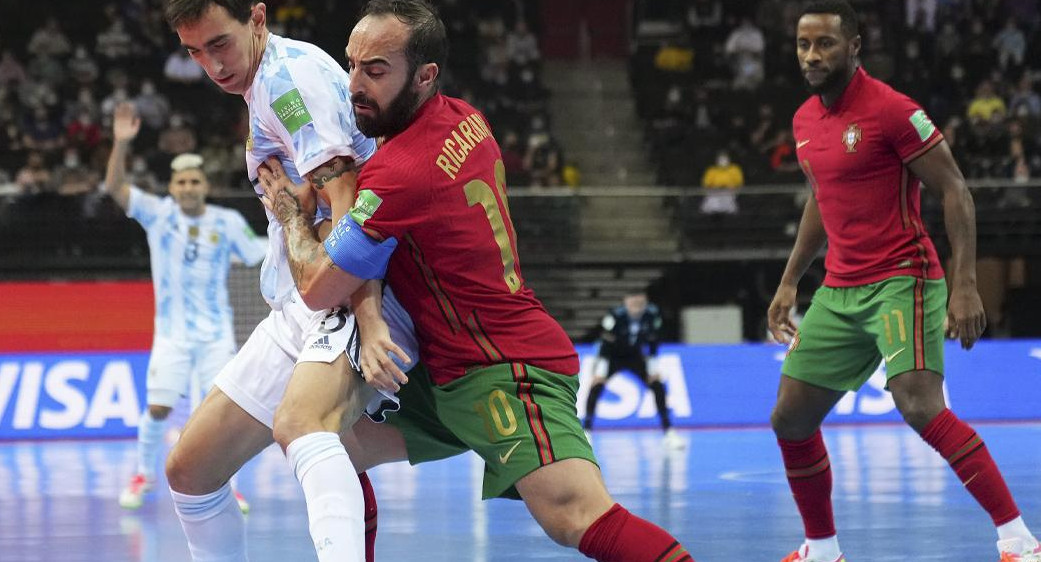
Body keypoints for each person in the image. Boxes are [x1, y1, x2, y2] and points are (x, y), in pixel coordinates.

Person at [258, 2, 694, 560]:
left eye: (375, 70)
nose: (353, 86)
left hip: (501, 367)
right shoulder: (466, 118)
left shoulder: (401, 172)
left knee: (575, 516)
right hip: (443, 364)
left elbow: (319, 285)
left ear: (424, 75)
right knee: (326, 443)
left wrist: (292, 215)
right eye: (351, 66)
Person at [767, 3, 1041, 561]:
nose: (812, 55)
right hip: (839, 290)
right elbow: (821, 199)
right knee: (790, 418)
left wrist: (964, 285)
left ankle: (1018, 539)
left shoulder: (893, 110)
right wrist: (790, 279)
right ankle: (821, 550)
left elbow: (956, 190)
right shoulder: (803, 121)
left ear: (855, 46)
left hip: (903, 279)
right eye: (803, 45)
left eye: (825, 44)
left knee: (918, 404)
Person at [158, 1, 415, 561]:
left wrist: (369, 324)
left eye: (219, 44)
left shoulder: (288, 82)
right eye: (195, 53)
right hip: (304, 298)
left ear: (256, 16)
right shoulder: (263, 83)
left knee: (305, 427)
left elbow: (351, 211)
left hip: (350, 293)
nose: (212, 65)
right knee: (190, 471)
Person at [101, 102, 266, 512]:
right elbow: (115, 189)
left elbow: (260, 251)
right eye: (182, 182)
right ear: (172, 188)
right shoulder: (158, 215)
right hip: (172, 335)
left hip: (215, 335)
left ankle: (227, 483)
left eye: (195, 181)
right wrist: (121, 144)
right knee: (158, 407)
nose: (189, 188)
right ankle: (143, 474)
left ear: (203, 185)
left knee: (221, 413)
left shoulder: (227, 222)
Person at [583, 292, 682, 449]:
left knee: (657, 386)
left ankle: (669, 431)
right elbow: (604, 339)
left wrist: (652, 366)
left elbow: (654, 340)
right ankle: (586, 431)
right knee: (596, 387)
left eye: (640, 301)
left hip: (636, 356)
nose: (637, 305)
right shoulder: (615, 315)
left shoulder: (652, 314)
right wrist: (600, 369)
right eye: (633, 301)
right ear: (626, 301)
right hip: (613, 356)